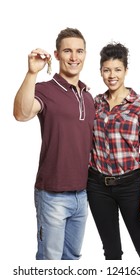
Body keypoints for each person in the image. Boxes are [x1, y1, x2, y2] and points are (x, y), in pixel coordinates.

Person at [13, 27, 95, 260]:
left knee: (71, 259)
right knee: (50, 263)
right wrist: (32, 73)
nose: (74, 57)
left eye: (79, 51)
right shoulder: (45, 90)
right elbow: (21, 113)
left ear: (85, 55)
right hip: (53, 194)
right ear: (57, 55)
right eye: (67, 51)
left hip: (82, 194)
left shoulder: (88, 96)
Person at [87, 42, 140, 260]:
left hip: (131, 186)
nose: (112, 75)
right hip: (97, 186)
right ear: (101, 71)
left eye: (117, 69)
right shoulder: (95, 103)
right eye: (107, 70)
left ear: (126, 71)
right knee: (111, 252)